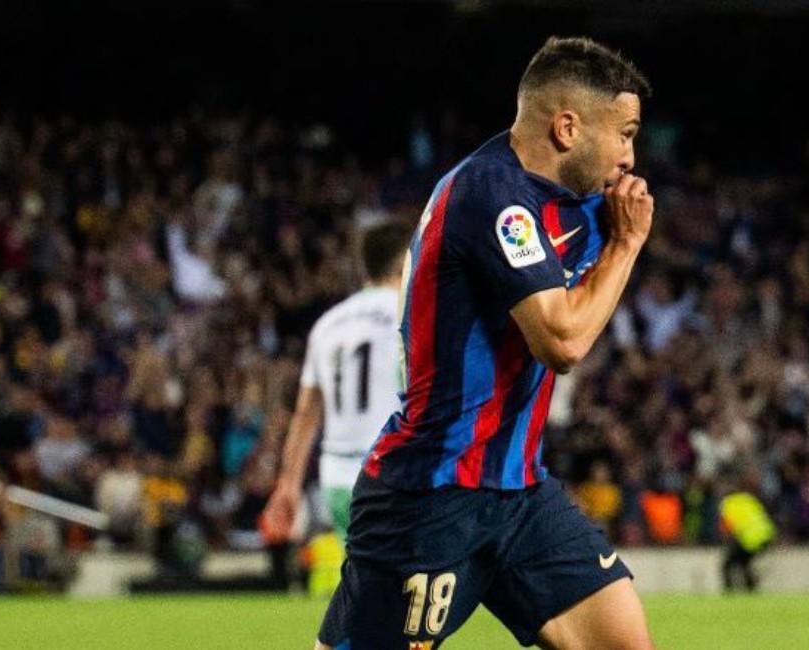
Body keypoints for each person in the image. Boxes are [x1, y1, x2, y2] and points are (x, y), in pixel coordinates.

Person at [316, 36, 655, 649]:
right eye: (625, 133)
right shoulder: (493, 196)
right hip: (429, 496)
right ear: (567, 126)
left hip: (519, 493)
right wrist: (625, 246)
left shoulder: (570, 202)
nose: (631, 157)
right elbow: (563, 340)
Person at [263, 221, 415, 543]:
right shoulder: (411, 316)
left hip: (338, 480)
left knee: (365, 582)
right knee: (415, 585)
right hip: (392, 474)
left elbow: (305, 415)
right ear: (406, 262)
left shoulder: (328, 324)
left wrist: (288, 484)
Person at [719, 480, 775, 593]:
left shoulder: (726, 503)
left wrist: (728, 542)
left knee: (727, 564)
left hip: (749, 538)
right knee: (744, 562)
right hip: (766, 536)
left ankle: (728, 591)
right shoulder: (748, 498)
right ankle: (751, 590)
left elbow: (727, 528)